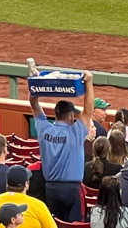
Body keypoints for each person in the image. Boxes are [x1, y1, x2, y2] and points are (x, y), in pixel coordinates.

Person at [29, 70, 94, 222]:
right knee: (74, 225)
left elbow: (34, 104)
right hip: (72, 190)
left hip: (50, 189)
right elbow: (88, 109)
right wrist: (89, 82)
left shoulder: (44, 129)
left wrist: (36, 83)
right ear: (71, 116)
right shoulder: (76, 132)